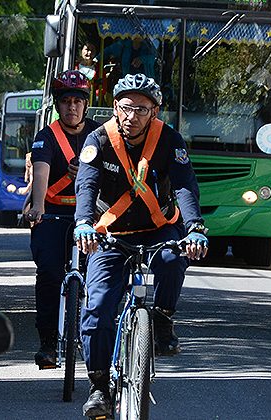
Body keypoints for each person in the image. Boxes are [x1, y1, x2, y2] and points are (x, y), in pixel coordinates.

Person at [72, 73, 209, 417]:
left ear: (155, 112)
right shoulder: (98, 139)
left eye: (142, 109)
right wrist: (84, 224)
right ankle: (99, 386)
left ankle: (162, 318)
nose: (133, 116)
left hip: (158, 226)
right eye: (127, 107)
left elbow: (184, 185)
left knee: (173, 257)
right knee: (98, 308)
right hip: (109, 233)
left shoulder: (169, 140)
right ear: (116, 107)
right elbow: (86, 185)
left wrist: (194, 228)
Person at [24, 70, 101, 369]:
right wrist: (38, 206)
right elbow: (41, 172)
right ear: (58, 105)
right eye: (66, 101)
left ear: (86, 105)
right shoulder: (46, 138)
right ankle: (47, 344)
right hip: (54, 214)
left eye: (77, 101)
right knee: (49, 275)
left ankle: (99, 340)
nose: (72, 107)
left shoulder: (100, 134)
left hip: (93, 215)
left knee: (101, 278)